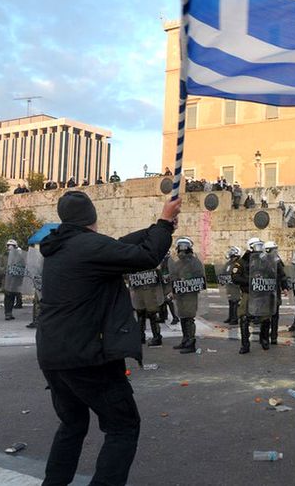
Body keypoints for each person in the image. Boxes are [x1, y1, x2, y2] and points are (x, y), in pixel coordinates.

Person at [37, 190, 180, 486]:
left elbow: (117, 246)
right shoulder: (89, 247)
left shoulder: (62, 247)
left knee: (72, 424)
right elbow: (146, 256)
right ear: (93, 216)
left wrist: (158, 226)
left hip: (54, 356)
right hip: (87, 357)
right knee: (123, 427)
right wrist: (165, 224)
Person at [169, 237, 206, 354]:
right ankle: (185, 339)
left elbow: (200, 276)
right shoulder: (178, 263)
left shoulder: (194, 262)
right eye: (180, 248)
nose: (181, 251)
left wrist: (187, 279)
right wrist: (174, 287)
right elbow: (173, 276)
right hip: (180, 294)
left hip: (190, 294)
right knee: (183, 317)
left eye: (183, 248)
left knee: (189, 317)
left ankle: (191, 343)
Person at [264, 241, 288, 345]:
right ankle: (266, 336)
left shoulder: (276, 260)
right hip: (264, 290)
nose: (275, 251)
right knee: (267, 315)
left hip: (273, 290)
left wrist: (285, 287)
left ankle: (273, 337)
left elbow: (282, 275)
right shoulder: (260, 260)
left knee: (274, 314)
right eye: (274, 249)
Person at [0, 239, 22, 320]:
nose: (10, 247)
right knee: (7, 297)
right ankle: (7, 313)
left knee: (13, 296)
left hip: (15, 280)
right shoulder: (2, 256)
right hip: (6, 280)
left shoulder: (19, 256)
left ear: (15, 246)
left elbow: (22, 267)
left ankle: (9, 313)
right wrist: (6, 270)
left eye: (12, 246)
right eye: (8, 245)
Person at [219, 246, 242, 326]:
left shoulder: (238, 263)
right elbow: (224, 271)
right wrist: (222, 279)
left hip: (236, 286)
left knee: (235, 301)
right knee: (231, 301)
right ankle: (230, 317)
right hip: (229, 286)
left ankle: (234, 318)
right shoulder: (229, 263)